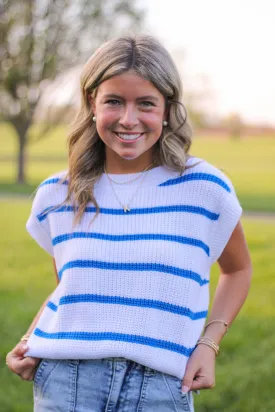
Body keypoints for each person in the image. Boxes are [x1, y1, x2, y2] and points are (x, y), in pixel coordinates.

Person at [6, 35, 252, 412]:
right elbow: (73, 288)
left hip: (160, 387)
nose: (128, 119)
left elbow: (238, 270)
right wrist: (29, 338)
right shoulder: (57, 195)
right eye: (114, 101)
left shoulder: (206, 189)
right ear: (92, 103)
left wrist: (208, 344)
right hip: (66, 384)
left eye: (146, 104)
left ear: (168, 108)